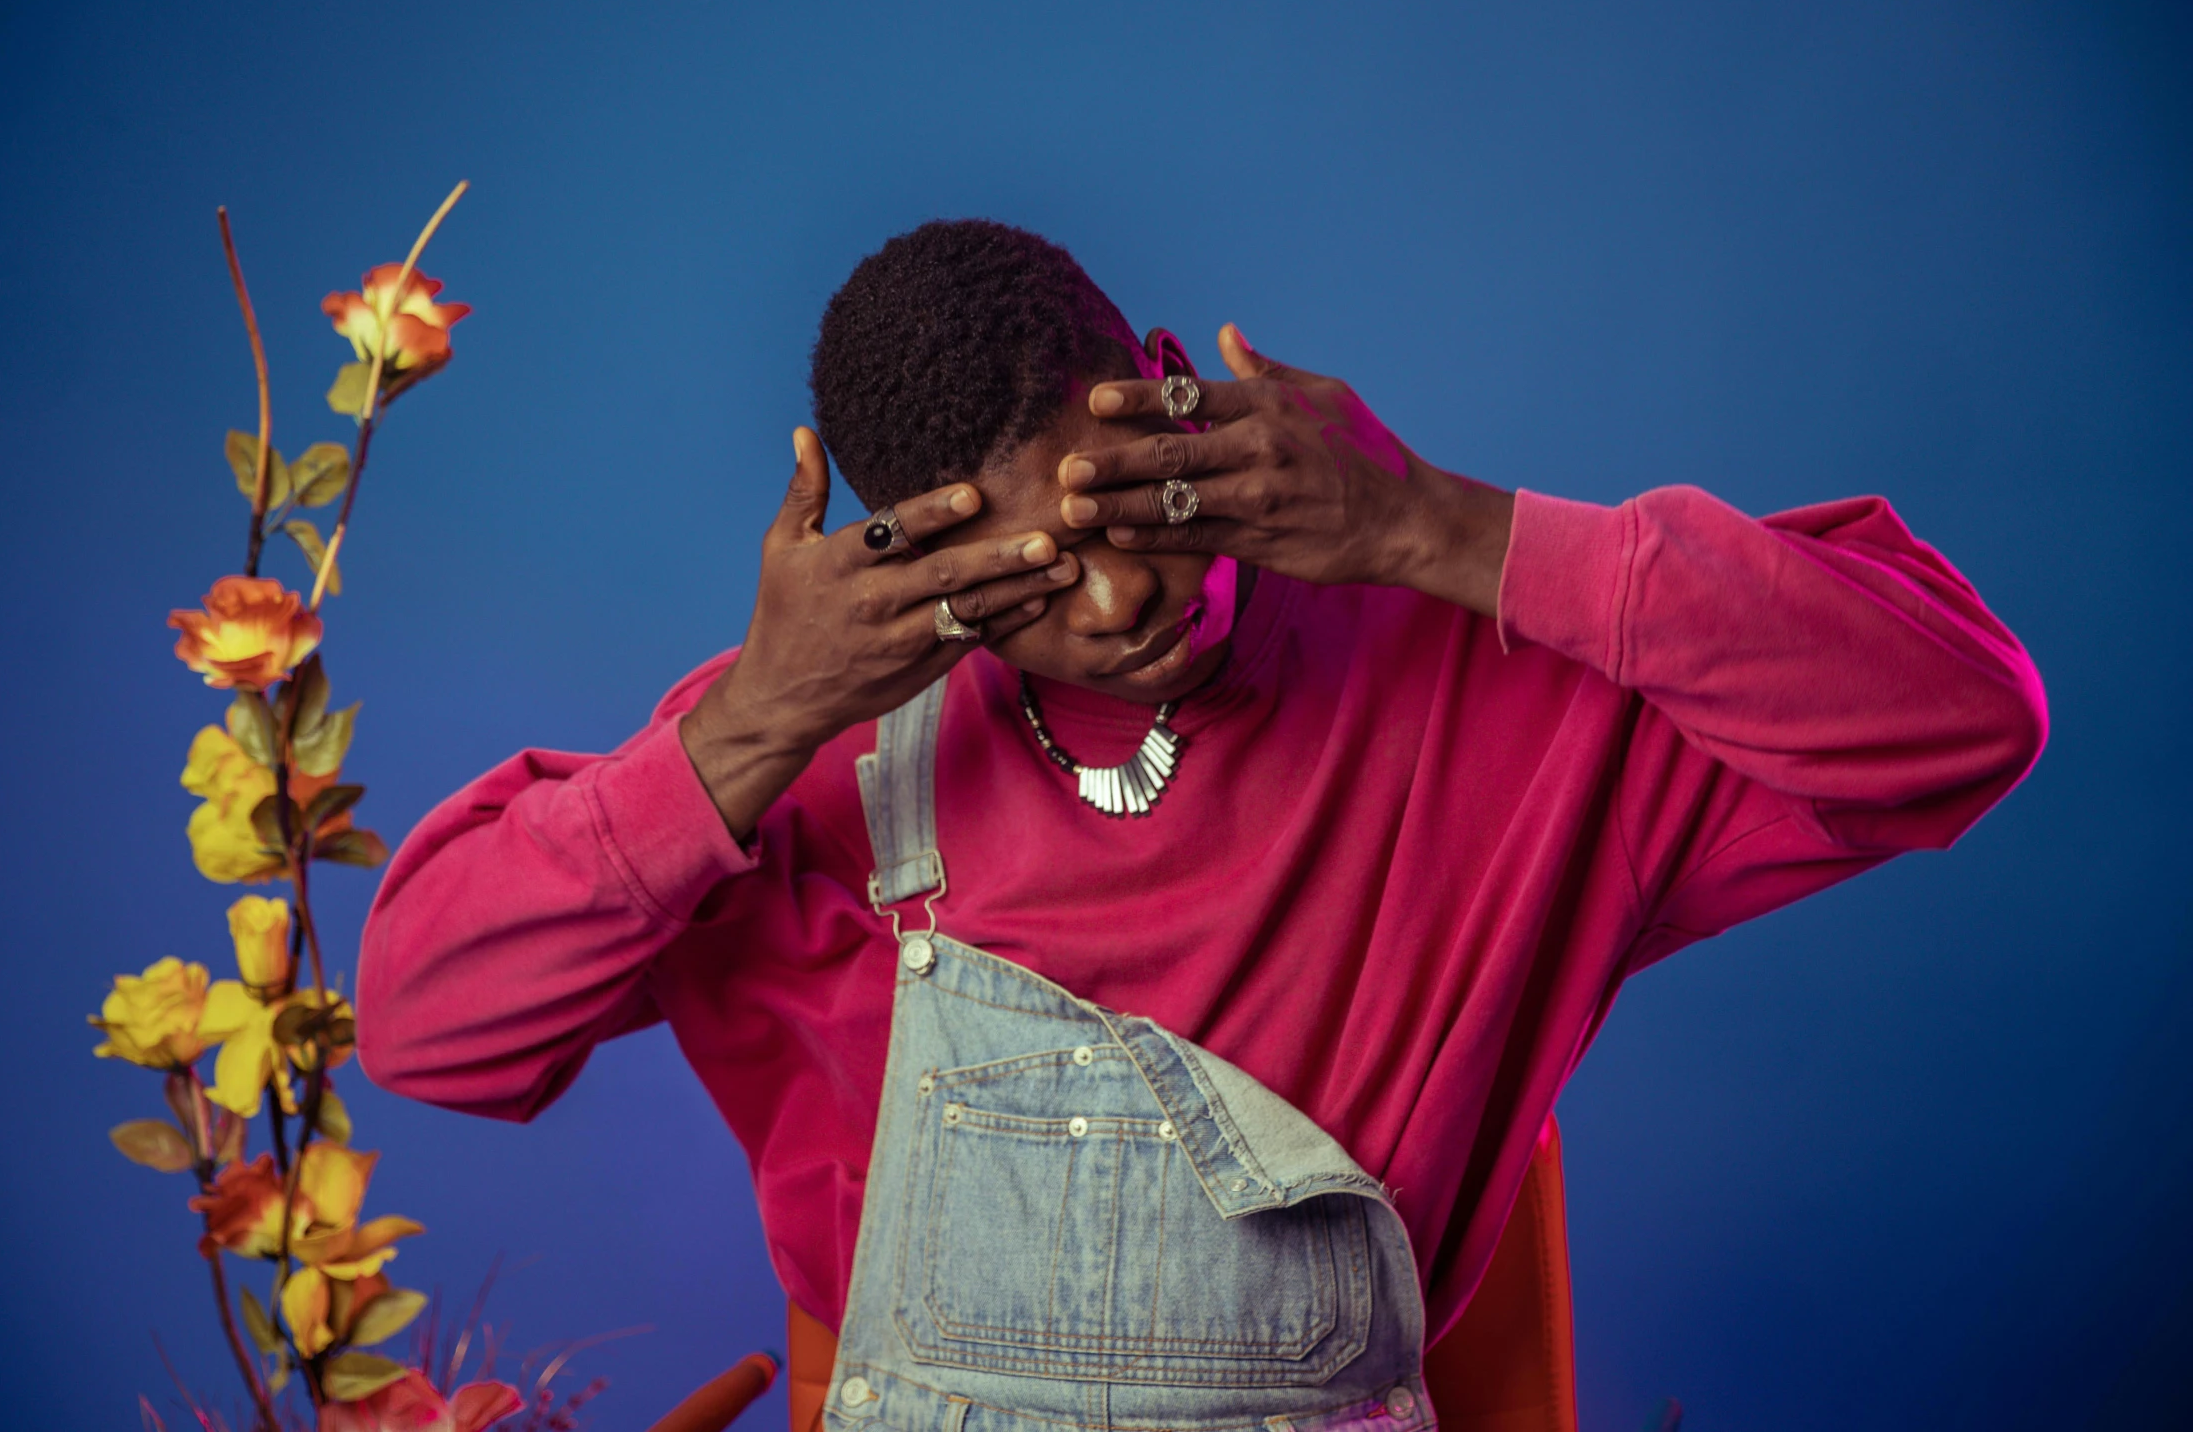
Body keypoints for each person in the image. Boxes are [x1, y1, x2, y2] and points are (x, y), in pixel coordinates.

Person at [356, 219, 2046, 1430]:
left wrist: (1442, 531)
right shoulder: (804, 754)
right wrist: (748, 720)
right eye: (1020, 575)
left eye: (1116, 507)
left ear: (1165, 386)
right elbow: (424, 1022)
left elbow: (1963, 713)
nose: (1109, 598)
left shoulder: (1487, 691)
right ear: (902, 558)